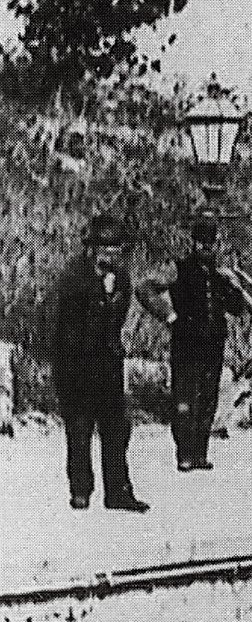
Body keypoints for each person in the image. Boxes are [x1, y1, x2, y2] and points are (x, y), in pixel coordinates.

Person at [50, 214, 148, 511]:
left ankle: (118, 492)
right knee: (79, 432)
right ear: (91, 248)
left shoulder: (122, 279)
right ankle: (81, 490)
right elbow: (68, 326)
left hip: (107, 367)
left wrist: (110, 299)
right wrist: (102, 297)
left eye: (117, 248)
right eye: (106, 248)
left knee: (117, 431)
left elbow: (118, 316)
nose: (113, 254)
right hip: (76, 366)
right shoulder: (72, 279)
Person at [137, 217, 244, 472]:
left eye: (210, 244)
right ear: (193, 243)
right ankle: (184, 454)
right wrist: (169, 315)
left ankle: (200, 454)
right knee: (184, 399)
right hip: (186, 343)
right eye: (200, 243)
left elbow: (237, 307)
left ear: (215, 245)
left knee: (208, 398)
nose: (205, 248)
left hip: (214, 343)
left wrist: (234, 285)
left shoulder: (220, 274)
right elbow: (144, 288)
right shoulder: (177, 268)